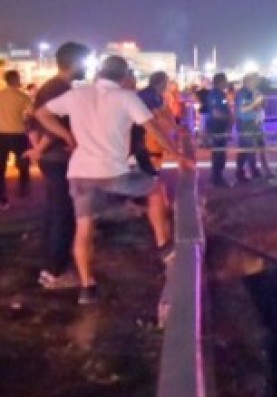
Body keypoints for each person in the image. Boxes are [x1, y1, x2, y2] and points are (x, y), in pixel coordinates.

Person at [32, 55, 193, 305]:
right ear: (124, 76)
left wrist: (67, 136)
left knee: (84, 228)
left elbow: (41, 113)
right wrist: (178, 155)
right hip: (112, 172)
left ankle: (87, 288)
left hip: (79, 173)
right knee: (154, 189)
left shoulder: (77, 94)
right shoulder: (127, 98)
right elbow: (154, 129)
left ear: (99, 73)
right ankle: (164, 245)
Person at [29, 42, 91, 290]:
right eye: (84, 62)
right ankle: (55, 271)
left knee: (55, 212)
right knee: (62, 214)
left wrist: (38, 148)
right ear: (74, 63)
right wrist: (66, 137)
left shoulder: (54, 87)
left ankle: (51, 267)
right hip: (58, 159)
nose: (87, 68)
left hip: (53, 158)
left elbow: (34, 121)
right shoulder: (58, 88)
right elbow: (46, 120)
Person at [0, 69, 33, 209]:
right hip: (18, 134)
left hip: (1, 135)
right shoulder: (22, 96)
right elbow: (32, 113)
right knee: (24, 163)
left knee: (0, 167)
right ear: (15, 80)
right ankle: (23, 190)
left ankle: (3, 198)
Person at [134, 72, 176, 177]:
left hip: (145, 129)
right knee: (150, 152)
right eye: (166, 82)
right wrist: (173, 128)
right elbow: (159, 114)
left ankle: (150, 172)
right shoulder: (150, 94)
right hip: (142, 129)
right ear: (162, 82)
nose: (167, 85)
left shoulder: (154, 94)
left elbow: (163, 112)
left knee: (147, 152)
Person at [234, 73, 267, 182]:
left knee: (246, 149)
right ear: (248, 81)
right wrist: (255, 103)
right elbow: (242, 110)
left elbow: (256, 107)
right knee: (248, 148)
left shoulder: (253, 92)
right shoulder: (243, 93)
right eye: (255, 80)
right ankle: (252, 172)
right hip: (245, 123)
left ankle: (242, 172)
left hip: (253, 123)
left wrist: (260, 104)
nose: (257, 82)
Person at [205, 73, 234, 187]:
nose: (227, 82)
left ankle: (217, 176)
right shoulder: (214, 94)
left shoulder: (221, 94)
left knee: (221, 152)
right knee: (218, 152)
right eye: (225, 80)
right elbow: (216, 113)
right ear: (220, 81)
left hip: (221, 125)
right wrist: (229, 117)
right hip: (217, 126)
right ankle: (217, 178)